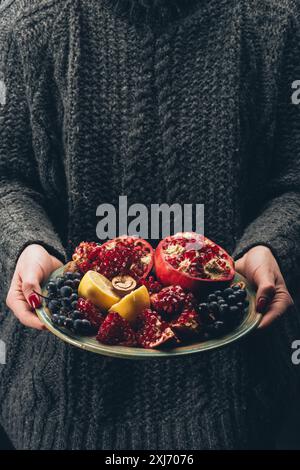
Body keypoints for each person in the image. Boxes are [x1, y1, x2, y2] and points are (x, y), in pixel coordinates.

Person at [0, 0, 300, 450]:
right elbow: (8, 175)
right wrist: (25, 243)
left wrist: (273, 244)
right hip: (61, 411)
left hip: (240, 405)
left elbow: (292, 179)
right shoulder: (27, 21)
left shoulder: (275, 21)